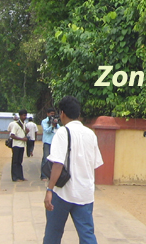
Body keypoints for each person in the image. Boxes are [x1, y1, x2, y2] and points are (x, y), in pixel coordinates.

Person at [43, 96, 103, 244]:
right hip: (85, 194)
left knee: (53, 233)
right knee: (87, 234)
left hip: (63, 192)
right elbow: (95, 163)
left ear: (62, 113)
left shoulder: (62, 133)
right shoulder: (91, 134)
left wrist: (49, 190)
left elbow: (57, 164)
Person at [8, 109, 28, 182]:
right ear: (20, 116)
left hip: (22, 145)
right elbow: (12, 135)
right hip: (16, 145)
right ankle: (15, 177)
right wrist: (21, 139)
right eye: (23, 115)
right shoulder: (16, 125)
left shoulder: (25, 124)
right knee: (15, 161)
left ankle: (21, 176)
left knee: (20, 162)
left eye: (25, 115)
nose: (24, 117)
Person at [41, 108, 60, 180]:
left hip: (54, 142)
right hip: (47, 142)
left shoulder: (55, 122)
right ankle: (43, 175)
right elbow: (47, 131)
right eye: (51, 113)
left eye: (53, 114)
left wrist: (55, 124)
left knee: (53, 159)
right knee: (45, 158)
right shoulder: (44, 121)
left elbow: (58, 129)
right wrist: (52, 126)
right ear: (47, 114)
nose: (52, 115)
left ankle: (50, 175)